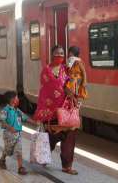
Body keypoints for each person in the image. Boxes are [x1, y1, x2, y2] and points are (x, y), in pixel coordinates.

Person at [34, 45, 78, 175]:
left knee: (70, 137)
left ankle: (67, 166)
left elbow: (74, 82)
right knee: (51, 137)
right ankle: (43, 157)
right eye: (57, 53)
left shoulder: (66, 69)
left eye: (62, 53)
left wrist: (72, 89)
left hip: (66, 111)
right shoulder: (46, 71)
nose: (60, 55)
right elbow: (45, 91)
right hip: (51, 112)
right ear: (52, 55)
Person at [0, 91, 39, 175]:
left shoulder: (17, 111)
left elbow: (25, 118)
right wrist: (10, 128)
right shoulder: (5, 110)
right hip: (8, 135)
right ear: (12, 100)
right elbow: (2, 121)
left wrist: (35, 122)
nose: (18, 99)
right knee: (8, 150)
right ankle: (3, 159)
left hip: (18, 134)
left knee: (19, 150)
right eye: (17, 98)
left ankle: (20, 167)